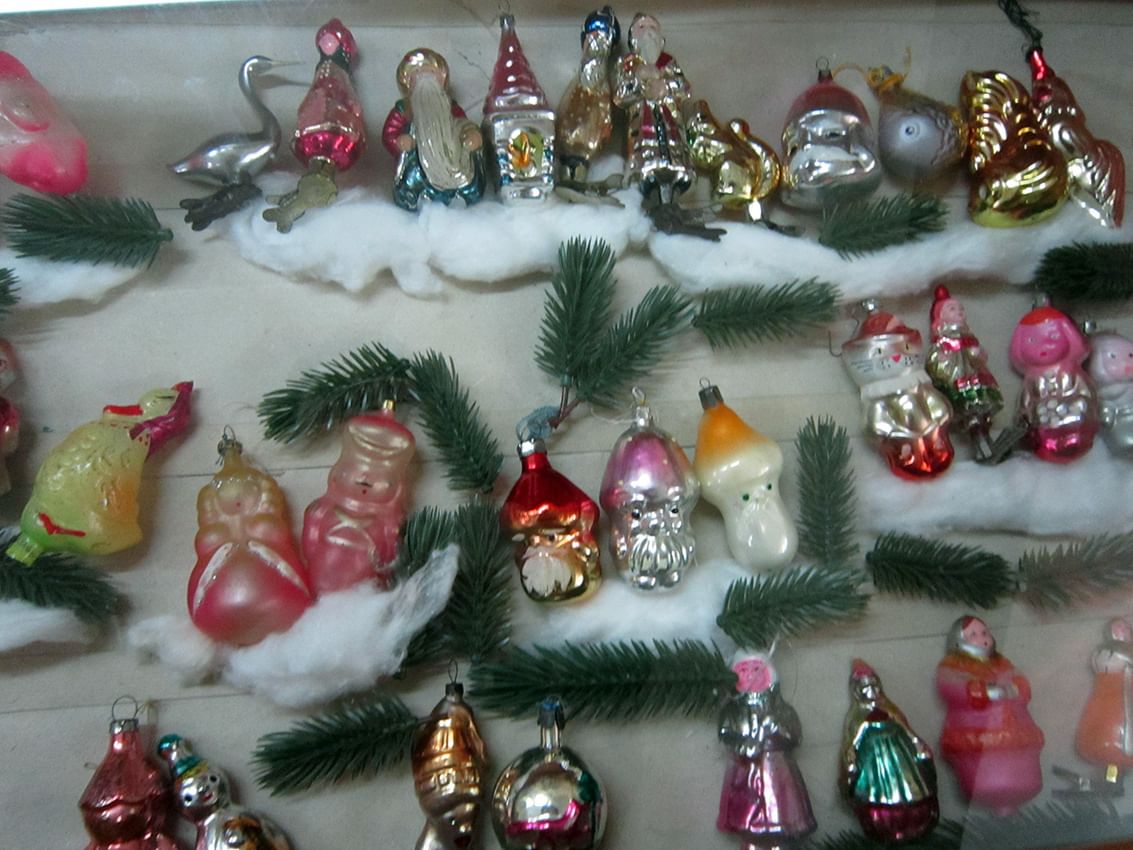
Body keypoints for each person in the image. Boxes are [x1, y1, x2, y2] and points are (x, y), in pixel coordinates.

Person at [936, 616, 1044, 816]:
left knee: (1017, 768)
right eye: (973, 634)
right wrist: (985, 692)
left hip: (1015, 730)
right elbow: (952, 689)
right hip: (976, 731)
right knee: (986, 770)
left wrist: (1015, 689)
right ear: (959, 640)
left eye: (984, 633)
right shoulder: (953, 667)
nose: (981, 638)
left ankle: (1012, 796)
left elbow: (1021, 684)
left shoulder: (1002, 663)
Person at [717, 651, 816, 850]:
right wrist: (742, 746)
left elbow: (795, 735)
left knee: (780, 808)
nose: (750, 676)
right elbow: (725, 733)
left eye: (756, 670)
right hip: (745, 769)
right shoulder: (732, 711)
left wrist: (776, 729)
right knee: (747, 812)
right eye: (743, 671)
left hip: (776, 768)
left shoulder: (781, 709)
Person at [841, 659, 938, 843]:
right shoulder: (857, 716)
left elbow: (906, 729)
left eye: (874, 685)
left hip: (902, 760)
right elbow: (854, 740)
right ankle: (885, 823)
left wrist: (917, 743)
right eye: (865, 687)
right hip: (874, 764)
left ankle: (916, 819)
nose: (871, 691)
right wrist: (851, 758)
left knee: (913, 789)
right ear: (857, 690)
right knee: (878, 797)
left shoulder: (890, 709)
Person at [383, 49, 485, 212]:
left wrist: (470, 135)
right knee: (412, 178)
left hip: (451, 157)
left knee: (467, 173)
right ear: (408, 81)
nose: (426, 78)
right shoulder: (405, 109)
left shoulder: (449, 106)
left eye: (431, 73)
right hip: (419, 159)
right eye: (418, 73)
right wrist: (400, 142)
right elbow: (390, 133)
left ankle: (458, 194)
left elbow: (462, 124)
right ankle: (421, 195)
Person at [612, 13, 694, 204]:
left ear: (661, 39)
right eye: (642, 28)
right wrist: (640, 81)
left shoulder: (669, 63)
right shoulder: (628, 65)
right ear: (633, 40)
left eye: (653, 28)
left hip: (670, 126)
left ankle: (672, 200)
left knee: (676, 166)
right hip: (642, 127)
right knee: (647, 167)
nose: (648, 33)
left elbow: (685, 88)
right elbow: (620, 96)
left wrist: (665, 86)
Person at [1075, 617, 1133, 790]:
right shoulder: (1104, 653)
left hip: (1121, 701)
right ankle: (1111, 780)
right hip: (1112, 704)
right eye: (1119, 627)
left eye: (1126, 627)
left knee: (1118, 746)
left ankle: (1113, 779)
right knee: (1112, 747)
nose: (1124, 630)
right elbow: (1106, 666)